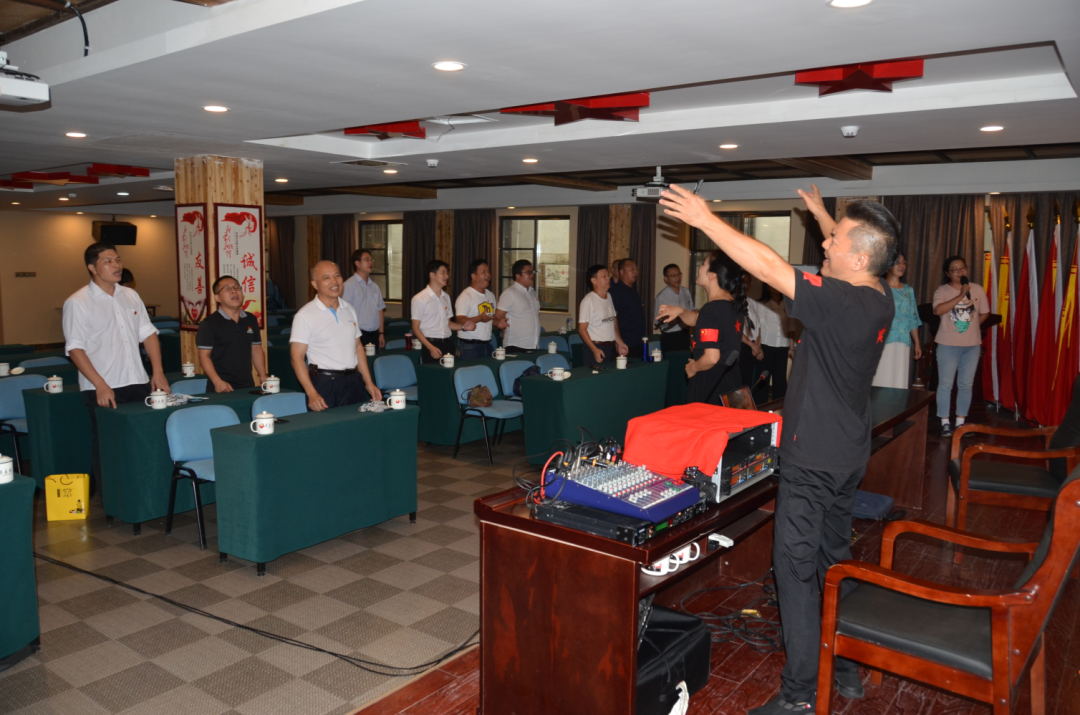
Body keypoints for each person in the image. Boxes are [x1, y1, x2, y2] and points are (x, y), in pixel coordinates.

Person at [660, 182, 897, 715]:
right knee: (834, 561)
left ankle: (797, 696)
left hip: (813, 461)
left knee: (795, 572)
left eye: (833, 240)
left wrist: (705, 219)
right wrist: (822, 215)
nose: (825, 244)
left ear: (860, 258)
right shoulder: (878, 295)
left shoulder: (839, 301)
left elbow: (769, 267)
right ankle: (846, 665)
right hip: (846, 454)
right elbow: (852, 251)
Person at [63, 242, 170, 481]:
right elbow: (75, 349)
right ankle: (111, 497)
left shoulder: (130, 295)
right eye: (108, 261)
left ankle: (140, 492)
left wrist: (158, 372)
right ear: (92, 268)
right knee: (108, 447)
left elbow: (148, 334)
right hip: (104, 387)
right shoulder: (78, 302)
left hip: (137, 381)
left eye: (118, 260)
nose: (116, 265)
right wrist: (100, 385)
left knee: (141, 442)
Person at [289, 260, 381, 411]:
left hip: (354, 381)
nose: (334, 282)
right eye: (326, 278)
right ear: (315, 284)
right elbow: (296, 357)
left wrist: (369, 382)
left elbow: (358, 347)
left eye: (337, 276)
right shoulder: (305, 315)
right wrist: (311, 393)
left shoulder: (349, 309)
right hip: (325, 384)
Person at [657, 251, 745, 403]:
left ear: (712, 275)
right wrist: (681, 311)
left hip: (711, 387)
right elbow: (700, 320)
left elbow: (711, 358)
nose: (700, 267)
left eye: (703, 264)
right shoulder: (731, 305)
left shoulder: (711, 309)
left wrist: (693, 367)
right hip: (730, 385)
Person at [933, 255, 988, 436]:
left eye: (962, 268)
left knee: (966, 384)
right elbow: (938, 310)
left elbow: (985, 313)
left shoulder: (977, 289)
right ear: (948, 273)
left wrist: (973, 326)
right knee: (946, 384)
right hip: (948, 344)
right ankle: (944, 422)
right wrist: (961, 295)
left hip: (972, 345)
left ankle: (960, 422)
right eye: (955, 270)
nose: (959, 272)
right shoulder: (942, 290)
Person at [196, 275, 268, 392]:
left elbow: (256, 349)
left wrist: (263, 375)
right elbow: (204, 356)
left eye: (237, 287)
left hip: (247, 385)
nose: (234, 291)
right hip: (221, 387)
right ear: (217, 298)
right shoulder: (209, 323)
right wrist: (217, 381)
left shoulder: (250, 319)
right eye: (227, 289)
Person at [874, 253, 923, 389]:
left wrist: (917, 343)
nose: (902, 266)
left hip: (903, 341)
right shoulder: (878, 287)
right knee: (882, 378)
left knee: (899, 379)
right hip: (883, 339)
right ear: (888, 264)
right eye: (898, 262)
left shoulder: (908, 290)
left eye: (904, 263)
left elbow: (912, 318)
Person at [411, 259, 474, 364]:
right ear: (432, 275)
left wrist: (463, 327)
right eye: (443, 273)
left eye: (447, 273)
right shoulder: (419, 298)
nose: (447, 276)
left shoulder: (446, 297)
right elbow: (415, 328)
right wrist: (430, 347)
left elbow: (448, 323)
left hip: (448, 343)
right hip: (430, 344)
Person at [746, 284, 793, 402]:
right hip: (766, 346)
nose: (775, 288)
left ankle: (779, 407)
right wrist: (758, 347)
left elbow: (790, 327)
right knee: (763, 379)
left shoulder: (786, 304)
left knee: (780, 380)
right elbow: (757, 327)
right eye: (772, 286)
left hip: (783, 346)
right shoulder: (761, 304)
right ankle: (761, 407)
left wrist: (791, 347)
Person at [578, 265, 628, 366]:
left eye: (608, 276)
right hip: (595, 348)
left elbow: (612, 321)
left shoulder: (609, 296)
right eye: (604, 276)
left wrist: (619, 342)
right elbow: (582, 330)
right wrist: (595, 350)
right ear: (594, 280)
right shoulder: (588, 300)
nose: (608, 278)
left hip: (610, 347)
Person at [454, 258, 498, 360]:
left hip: (488, 343)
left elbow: (490, 318)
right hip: (469, 346)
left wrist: (498, 322)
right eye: (483, 272)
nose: (488, 275)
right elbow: (459, 320)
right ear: (473, 276)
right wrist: (479, 318)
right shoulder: (466, 296)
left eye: (488, 272)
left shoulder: (490, 295)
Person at [342, 248, 386, 348]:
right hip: (357, 334)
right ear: (357, 263)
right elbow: (344, 313)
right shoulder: (349, 285)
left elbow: (380, 310)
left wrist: (381, 333)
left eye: (371, 260)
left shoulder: (375, 286)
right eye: (367, 260)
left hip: (375, 334)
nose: (370, 262)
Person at [495, 259, 541, 352]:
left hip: (533, 345)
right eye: (528, 272)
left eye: (532, 272)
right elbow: (497, 316)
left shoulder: (532, 292)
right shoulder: (509, 293)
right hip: (515, 346)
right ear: (517, 275)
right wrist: (500, 324)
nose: (532, 275)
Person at [609, 258, 647, 354]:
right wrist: (618, 342)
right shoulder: (616, 292)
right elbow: (611, 319)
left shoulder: (633, 291)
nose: (635, 272)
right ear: (621, 272)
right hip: (624, 344)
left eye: (636, 269)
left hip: (638, 341)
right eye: (632, 270)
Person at [654, 263, 695, 352]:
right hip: (670, 337)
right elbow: (658, 323)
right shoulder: (662, 297)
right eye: (673, 276)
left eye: (678, 274)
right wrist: (675, 320)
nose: (677, 278)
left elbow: (691, 311)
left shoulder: (686, 292)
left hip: (685, 335)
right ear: (666, 279)